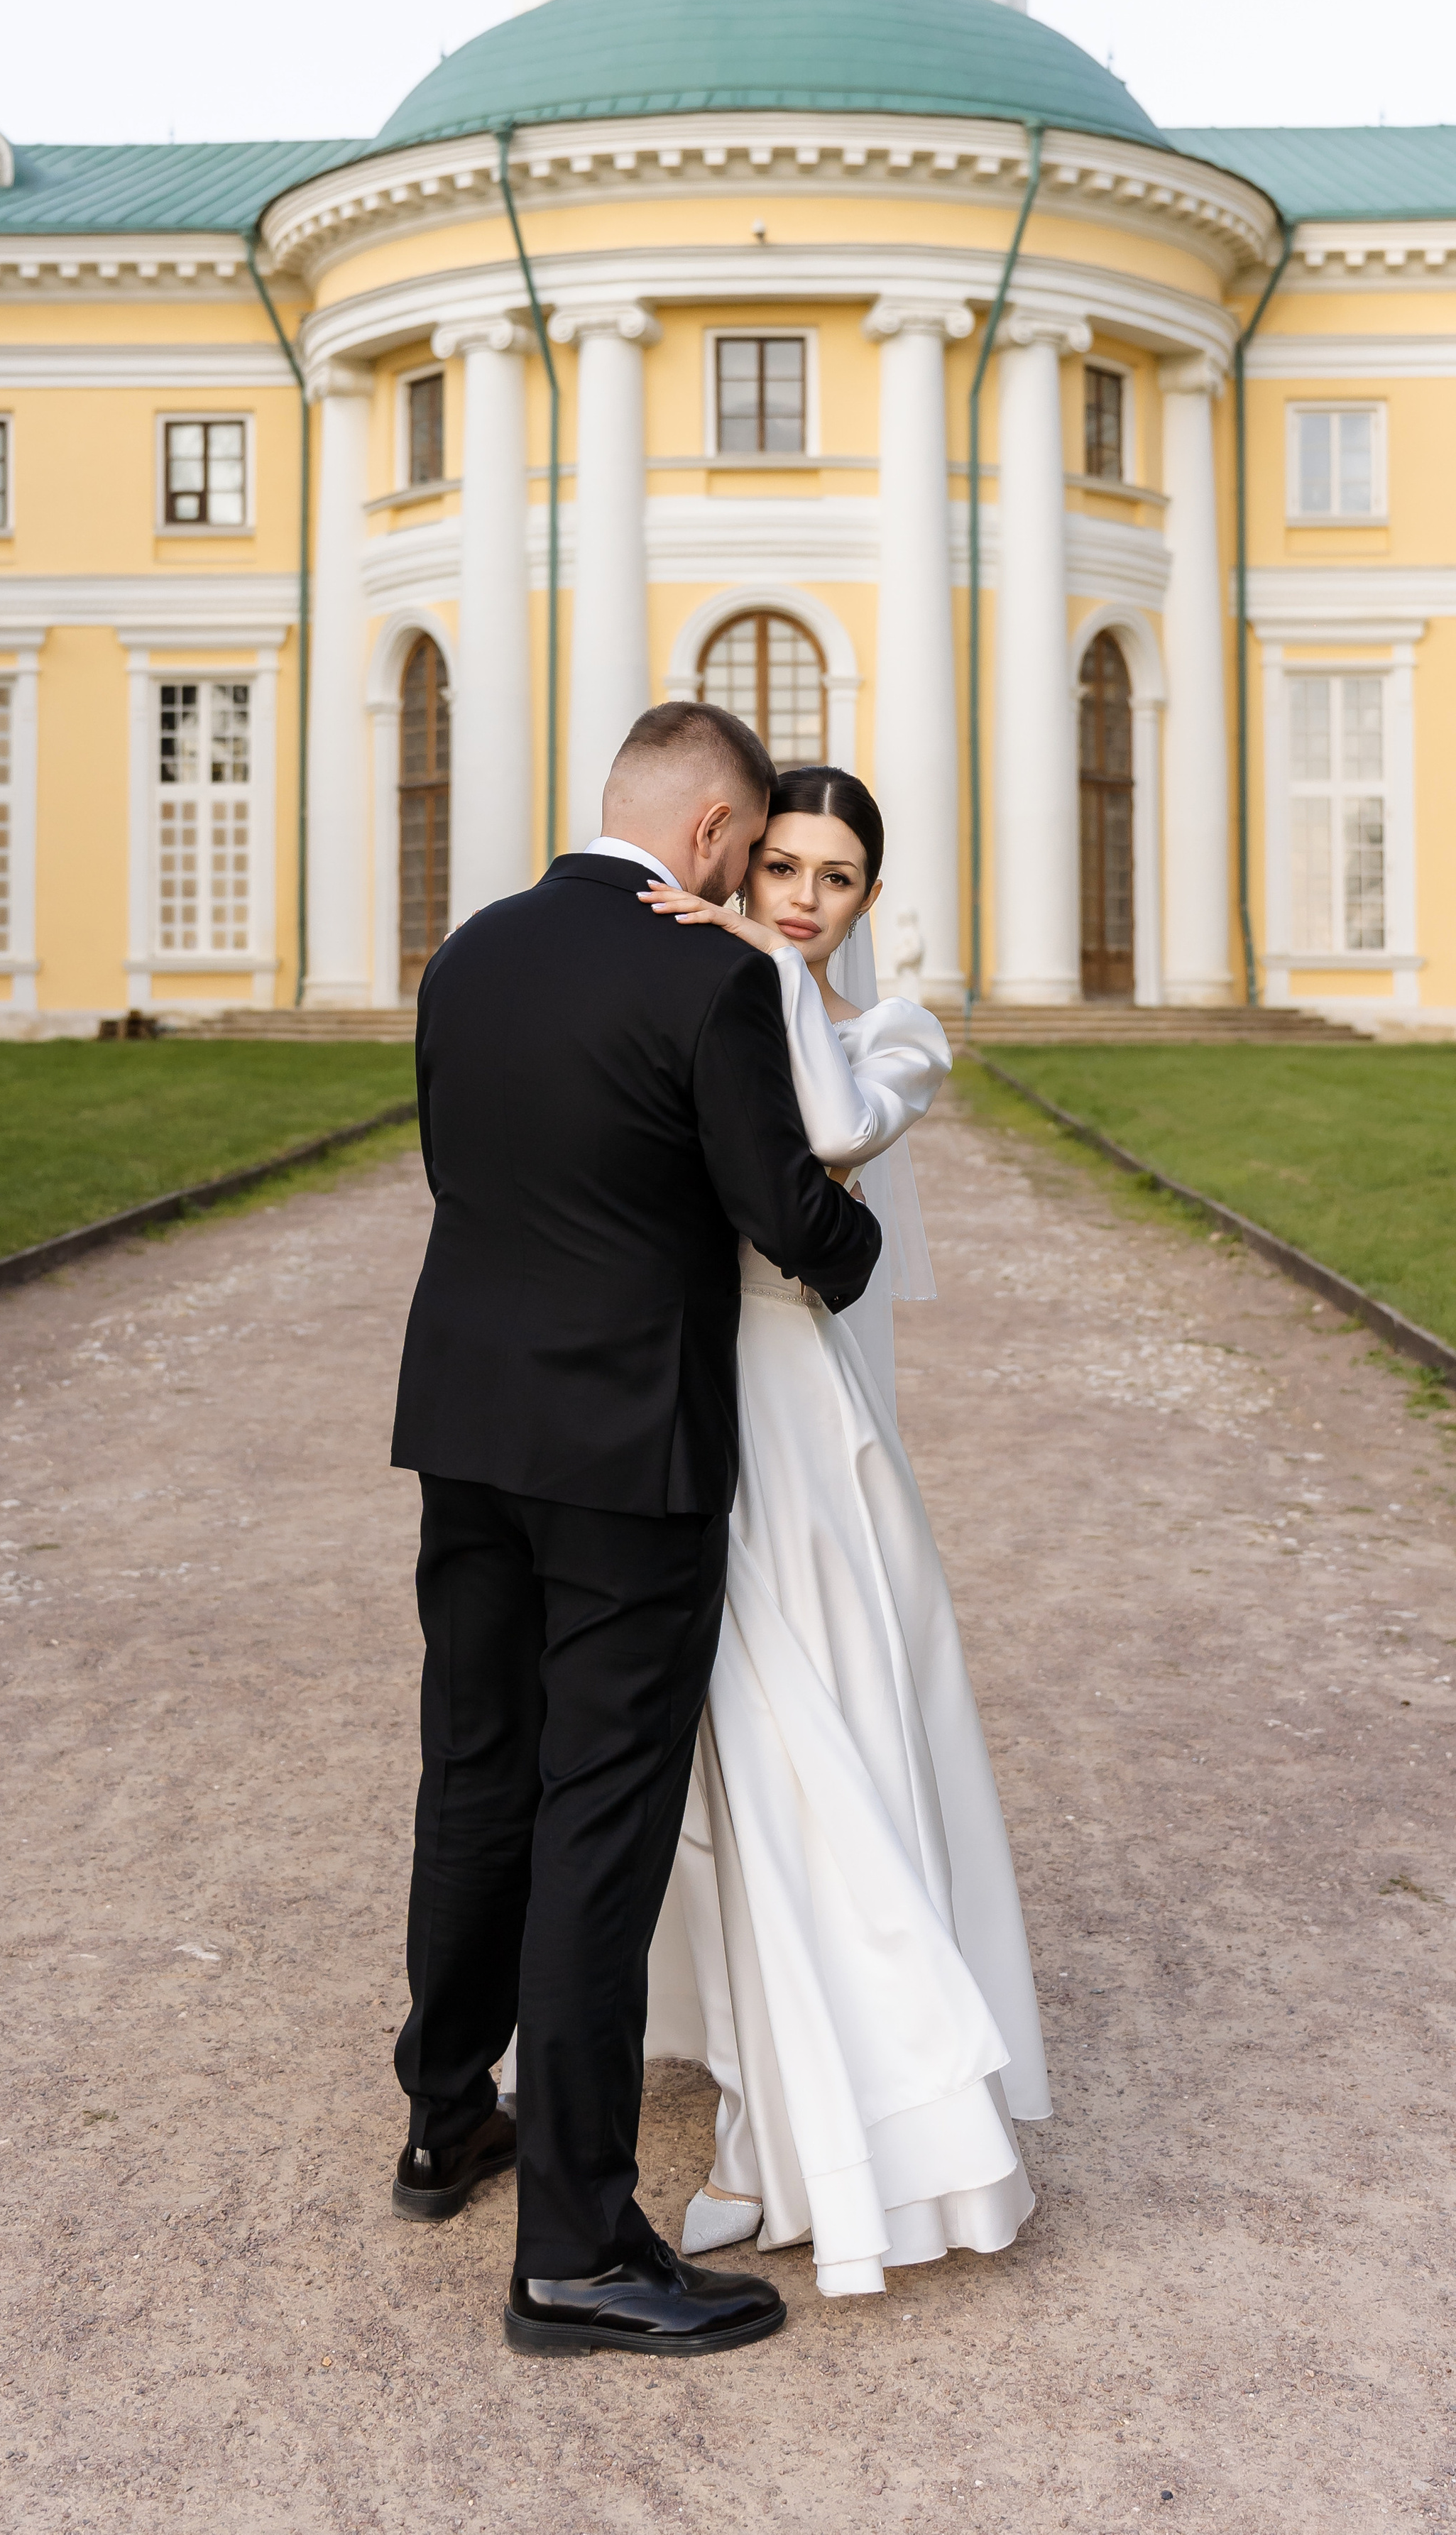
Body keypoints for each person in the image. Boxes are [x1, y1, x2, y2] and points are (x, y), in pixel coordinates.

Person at [388, 703, 882, 2358]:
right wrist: (859, 1239)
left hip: (465, 1429)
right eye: (749, 851)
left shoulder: (466, 954)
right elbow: (778, 1211)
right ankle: (577, 2249)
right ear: (711, 834)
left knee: (471, 1770)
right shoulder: (708, 973)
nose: (753, 880)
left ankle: (444, 2114)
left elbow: (464, 1166)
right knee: (598, 1819)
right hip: (626, 1455)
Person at [638, 766, 1051, 2298]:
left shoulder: (895, 1034)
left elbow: (820, 1124)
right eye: (781, 870)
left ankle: (834, 2124)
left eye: (833, 879)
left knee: (821, 1746)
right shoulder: (710, 1008)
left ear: (866, 902)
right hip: (688, 1404)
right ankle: (757, 2097)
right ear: (742, 868)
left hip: (804, 1431)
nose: (802, 897)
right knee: (727, 1768)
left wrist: (749, 964)